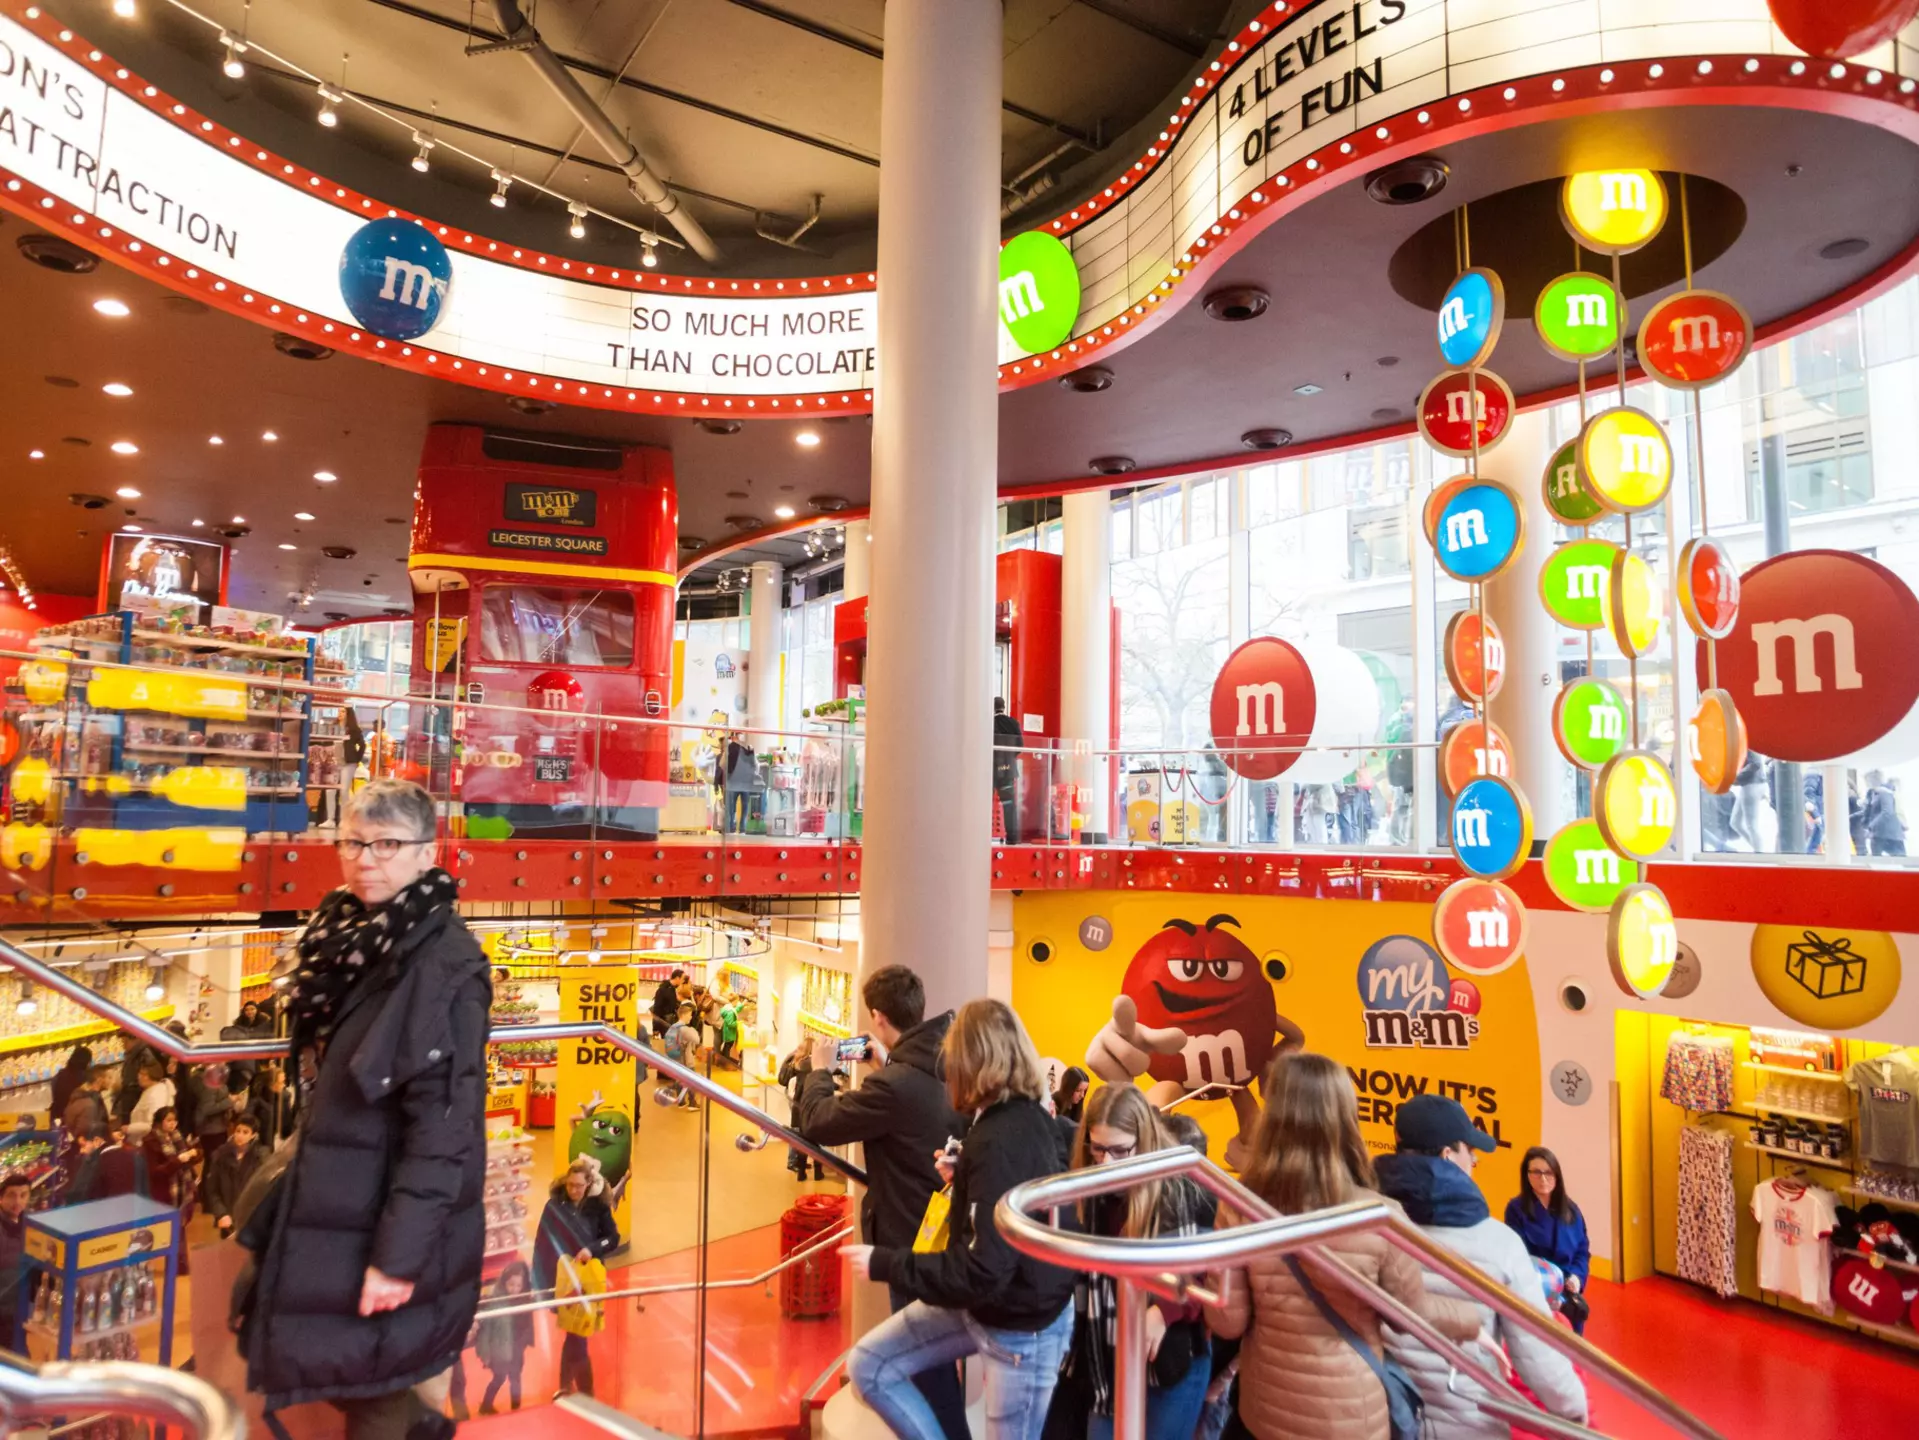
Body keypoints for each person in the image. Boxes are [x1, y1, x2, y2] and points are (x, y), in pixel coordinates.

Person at [235, 779, 491, 1440]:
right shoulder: (347, 937)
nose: (366, 858)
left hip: (384, 1221)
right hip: (344, 1203)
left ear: (425, 855)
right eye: (354, 841)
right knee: (364, 1379)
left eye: (387, 844)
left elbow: (443, 1129)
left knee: (375, 1382)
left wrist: (398, 1258)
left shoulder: (441, 967)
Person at [1205, 1052, 1481, 1440]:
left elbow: (1227, 1321)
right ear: (1345, 1120)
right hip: (1353, 1419)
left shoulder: (1240, 1205)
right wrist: (1474, 1321)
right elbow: (1409, 1315)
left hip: (1264, 1413)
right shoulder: (1380, 1215)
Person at [843, 998, 1077, 1440]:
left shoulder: (1001, 1136)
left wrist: (884, 1263)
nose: (947, 1072)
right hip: (998, 1306)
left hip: (1020, 1328)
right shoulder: (1013, 1123)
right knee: (870, 1363)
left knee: (873, 1366)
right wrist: (965, 1174)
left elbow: (982, 1268)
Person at [795, 966, 966, 1440]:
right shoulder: (946, 1064)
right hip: (943, 1233)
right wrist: (886, 1065)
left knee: (923, 1365)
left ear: (876, 1015)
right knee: (932, 1359)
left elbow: (820, 1122)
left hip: (910, 1239)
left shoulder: (893, 1087)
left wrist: (819, 1070)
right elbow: (914, 1107)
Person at [1375, 1099, 1587, 1438]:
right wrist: (1576, 1414)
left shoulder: (1370, 1222)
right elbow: (1538, 1356)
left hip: (1387, 1415)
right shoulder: (1498, 1243)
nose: (1474, 1158)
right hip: (1469, 1421)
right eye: (1468, 1149)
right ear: (1447, 1155)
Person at [1065, 1085, 1212, 1440]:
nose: (1106, 1162)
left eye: (1119, 1150)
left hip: (1169, 1366)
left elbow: (1209, 1270)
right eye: (1098, 1148)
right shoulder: (1090, 1188)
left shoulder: (1179, 1188)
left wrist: (1165, 1311)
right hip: (1107, 1369)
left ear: (1143, 1141)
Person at [534, 1156, 622, 1399]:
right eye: (571, 1184)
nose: (574, 1190)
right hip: (564, 1283)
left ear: (588, 1185)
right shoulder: (554, 1206)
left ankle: (572, 1388)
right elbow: (542, 1244)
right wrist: (544, 1284)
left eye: (579, 1186)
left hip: (588, 1283)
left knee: (576, 1335)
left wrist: (592, 1249)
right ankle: (580, 1390)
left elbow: (612, 1238)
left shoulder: (599, 1208)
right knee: (575, 1334)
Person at [1504, 1146, 1593, 1335]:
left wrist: (1577, 1277)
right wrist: (1552, 1294)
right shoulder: (1516, 1209)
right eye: (1536, 1172)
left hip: (1569, 1294)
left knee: (1571, 1350)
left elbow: (1582, 1251)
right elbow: (1519, 1256)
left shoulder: (1571, 1210)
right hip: (1538, 1295)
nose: (1543, 1179)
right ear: (1526, 1175)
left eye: (1548, 1173)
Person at [476, 1260, 537, 1413]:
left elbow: (526, 1325)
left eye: (518, 1285)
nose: (515, 1289)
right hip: (500, 1352)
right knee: (499, 1378)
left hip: (516, 1349)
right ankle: (485, 1405)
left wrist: (524, 1342)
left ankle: (516, 1408)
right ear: (504, 1282)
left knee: (516, 1379)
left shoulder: (524, 1300)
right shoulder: (495, 1301)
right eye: (511, 1285)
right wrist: (485, 1353)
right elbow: (486, 1330)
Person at [205, 1113, 267, 1240]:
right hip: (228, 1220)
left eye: (245, 1132)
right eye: (238, 1131)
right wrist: (221, 1214)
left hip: (250, 1221)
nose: (240, 1135)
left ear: (253, 1135)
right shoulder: (220, 1156)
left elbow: (263, 1192)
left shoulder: (261, 1159)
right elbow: (212, 1190)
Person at [140, 1105, 200, 1213]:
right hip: (163, 1191)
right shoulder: (151, 1141)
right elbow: (154, 1171)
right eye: (169, 1120)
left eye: (175, 1120)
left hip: (182, 1189)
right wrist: (178, 1161)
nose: (173, 1123)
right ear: (159, 1121)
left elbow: (192, 1155)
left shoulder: (176, 1136)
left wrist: (194, 1154)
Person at [0, 1173, 30, 1350]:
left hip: (19, 1309)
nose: (17, 1201)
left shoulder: (31, 1224)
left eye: (23, 1195)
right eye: (12, 1195)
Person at [994, 697, 1025, 844]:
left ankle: (978, 836)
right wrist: (1009, 759)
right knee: (1009, 804)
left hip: (990, 770)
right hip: (1008, 770)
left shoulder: (988, 722)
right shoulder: (1013, 723)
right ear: (1004, 707)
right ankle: (1012, 838)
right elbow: (1020, 745)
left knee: (982, 802)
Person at [661, 1003, 703, 1108]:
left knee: (679, 1078)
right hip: (686, 1059)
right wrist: (693, 1029)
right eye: (689, 1015)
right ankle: (692, 1103)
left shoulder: (673, 1027)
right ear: (683, 1015)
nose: (691, 1017)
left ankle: (681, 1101)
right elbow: (697, 1039)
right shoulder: (685, 1029)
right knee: (692, 1080)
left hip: (675, 1058)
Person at [125, 1060, 174, 1144]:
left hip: (147, 1143)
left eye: (143, 1074)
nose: (139, 1077)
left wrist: (129, 1128)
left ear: (152, 1075)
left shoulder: (156, 1095)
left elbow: (152, 1124)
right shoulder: (151, 1091)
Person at [62, 1064, 114, 1139]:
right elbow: (93, 1130)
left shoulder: (78, 1095)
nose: (112, 1081)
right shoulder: (92, 1100)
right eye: (109, 1078)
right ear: (99, 1080)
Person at [1865, 771, 1908, 856]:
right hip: (1880, 834)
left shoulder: (1884, 793)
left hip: (1888, 834)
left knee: (1900, 860)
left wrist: (1871, 825)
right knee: (1877, 860)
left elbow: (1887, 812)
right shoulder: (1874, 794)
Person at [50, 1045, 92, 1126]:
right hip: (78, 1121)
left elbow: (55, 1096)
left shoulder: (59, 1075)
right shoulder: (86, 1078)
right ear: (87, 1062)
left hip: (60, 1118)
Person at [651, 968, 687, 1039]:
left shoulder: (673, 989)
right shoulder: (662, 990)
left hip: (671, 1023)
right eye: (682, 979)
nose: (683, 981)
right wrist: (655, 1028)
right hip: (664, 1023)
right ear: (677, 978)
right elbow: (657, 1009)